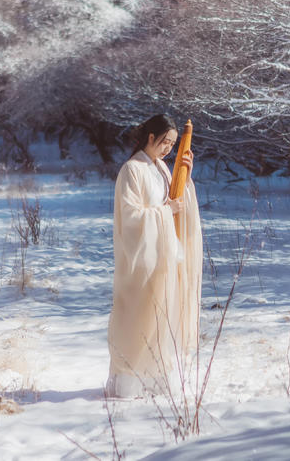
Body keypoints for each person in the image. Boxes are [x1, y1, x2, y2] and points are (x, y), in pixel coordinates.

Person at [105, 114, 203, 398]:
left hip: (165, 254)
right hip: (141, 259)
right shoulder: (131, 170)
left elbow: (175, 203)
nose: (168, 150)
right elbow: (131, 216)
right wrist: (164, 213)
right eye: (165, 142)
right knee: (137, 318)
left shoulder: (162, 168)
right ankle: (130, 382)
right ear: (150, 137)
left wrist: (185, 177)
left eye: (173, 144)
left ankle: (158, 378)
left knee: (162, 320)